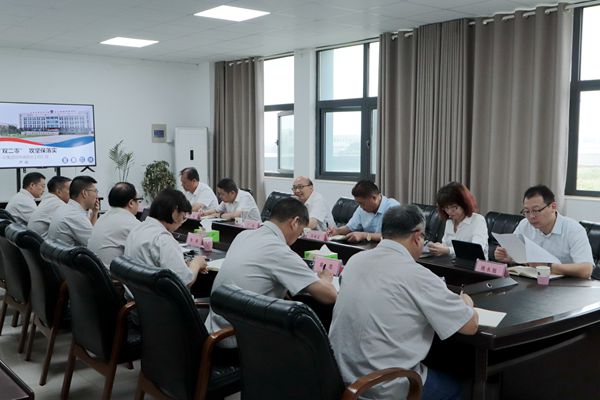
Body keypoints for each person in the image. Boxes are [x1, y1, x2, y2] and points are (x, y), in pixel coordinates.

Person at [329, 204, 478, 400]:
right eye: (424, 237)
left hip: (340, 378)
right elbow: (470, 326)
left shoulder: (355, 260)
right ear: (417, 237)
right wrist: (466, 302)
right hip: (383, 385)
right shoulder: (417, 275)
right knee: (462, 389)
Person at [206, 197, 337, 347]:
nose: (298, 238)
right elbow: (329, 296)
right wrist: (325, 279)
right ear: (295, 222)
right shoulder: (279, 250)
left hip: (215, 331)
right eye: (300, 233)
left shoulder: (243, 235)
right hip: (242, 341)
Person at [494, 185, 594, 279]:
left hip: (567, 285)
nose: (531, 216)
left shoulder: (573, 229)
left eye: (536, 210)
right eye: (526, 211)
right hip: (533, 282)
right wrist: (508, 256)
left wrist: (548, 266)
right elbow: (518, 254)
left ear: (553, 207)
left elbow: (586, 270)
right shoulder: (524, 225)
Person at [124, 188, 207, 287]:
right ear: (175, 212)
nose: (182, 223)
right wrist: (196, 263)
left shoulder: (137, 229)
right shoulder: (163, 239)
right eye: (183, 217)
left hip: (137, 294)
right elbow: (184, 281)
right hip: (158, 296)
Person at [428, 182, 489, 258]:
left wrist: (447, 250)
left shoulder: (478, 220)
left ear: (465, 204)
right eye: (446, 208)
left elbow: (476, 250)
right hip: (451, 263)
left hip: (474, 264)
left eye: (454, 207)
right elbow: (446, 245)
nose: (449, 212)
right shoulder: (449, 222)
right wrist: (438, 247)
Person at [88, 182, 141, 268]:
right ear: (131, 203)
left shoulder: (102, 218)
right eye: (139, 201)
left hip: (94, 272)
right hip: (111, 275)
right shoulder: (132, 223)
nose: (139, 204)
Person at [327, 180, 400, 243]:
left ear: (374, 198)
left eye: (362, 203)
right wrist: (337, 231)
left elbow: (392, 237)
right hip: (368, 248)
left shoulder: (393, 207)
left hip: (388, 249)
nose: (361, 207)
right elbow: (350, 227)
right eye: (358, 203)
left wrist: (365, 236)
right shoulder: (361, 209)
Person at [47, 175, 99, 246]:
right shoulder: (75, 215)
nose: (97, 196)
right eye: (95, 191)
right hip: (69, 253)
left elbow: (90, 232)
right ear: (84, 193)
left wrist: (94, 213)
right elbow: (95, 245)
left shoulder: (67, 208)